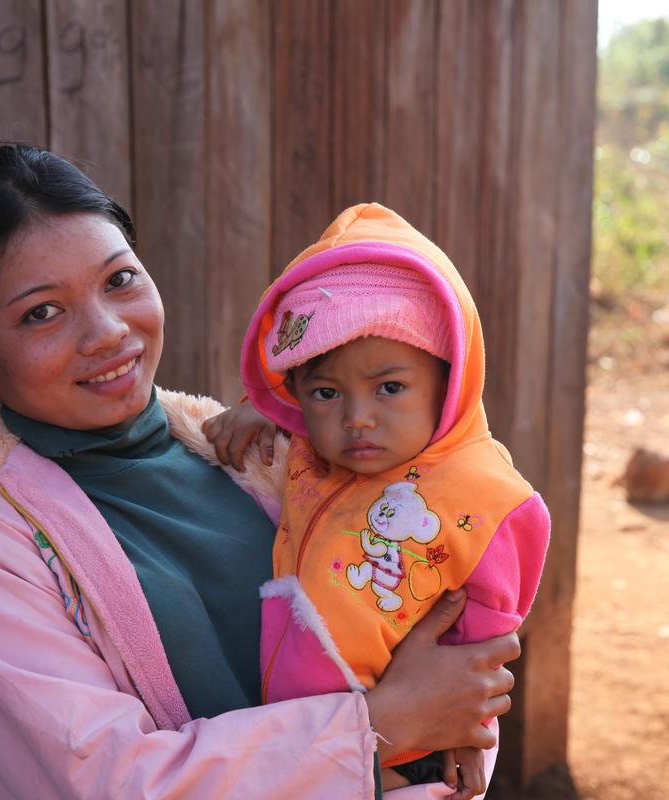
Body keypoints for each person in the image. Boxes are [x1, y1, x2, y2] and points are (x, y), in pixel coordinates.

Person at [0, 144, 518, 799]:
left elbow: (443, 624)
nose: (106, 332)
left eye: (118, 280)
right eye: (42, 311)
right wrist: (383, 724)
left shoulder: (261, 454)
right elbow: (103, 781)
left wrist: (454, 718)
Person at [204, 204, 550, 797]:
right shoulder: (312, 448)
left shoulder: (486, 497)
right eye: (326, 391)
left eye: (391, 387)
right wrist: (259, 408)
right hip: (290, 740)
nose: (357, 418)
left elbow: (489, 632)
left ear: (451, 377)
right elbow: (289, 403)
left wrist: (469, 729)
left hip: (411, 752)